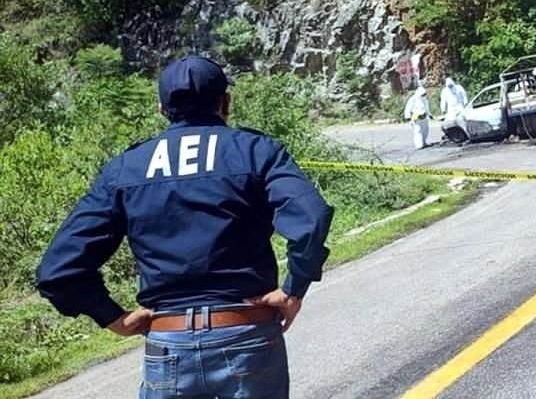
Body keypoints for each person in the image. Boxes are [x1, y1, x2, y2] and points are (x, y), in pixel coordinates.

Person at [36, 55, 334, 399]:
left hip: (168, 342)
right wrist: (293, 288)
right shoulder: (256, 151)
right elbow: (310, 217)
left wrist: (114, 318)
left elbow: (58, 269)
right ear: (226, 102)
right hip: (247, 333)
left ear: (161, 107)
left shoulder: (125, 169)